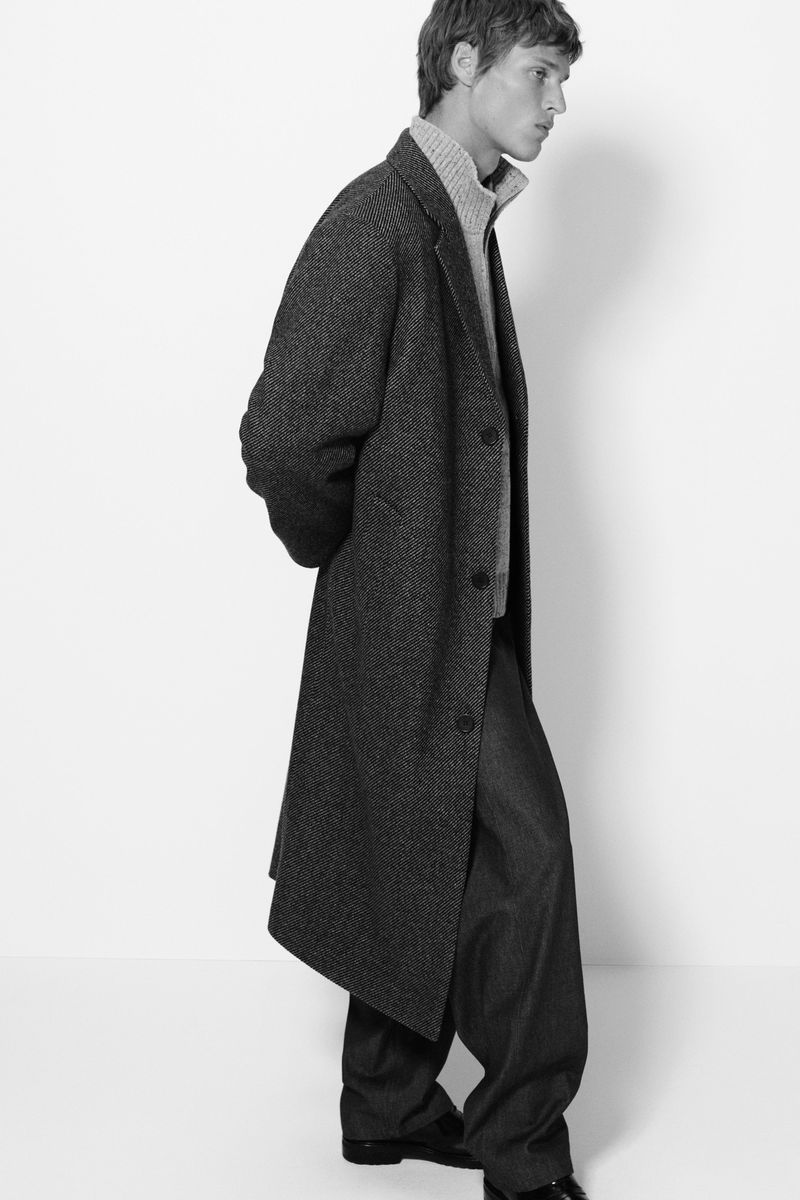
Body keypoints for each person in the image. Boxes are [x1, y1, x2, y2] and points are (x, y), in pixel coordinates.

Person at [238, 2, 590, 1197]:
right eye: (539, 74)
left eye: (562, 83)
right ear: (462, 62)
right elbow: (287, 441)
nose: (555, 104)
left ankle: (384, 1103)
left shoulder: (462, 217)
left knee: (420, 840)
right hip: (414, 624)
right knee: (529, 858)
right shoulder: (378, 222)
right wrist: (366, 560)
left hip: (457, 619)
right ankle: (522, 1150)